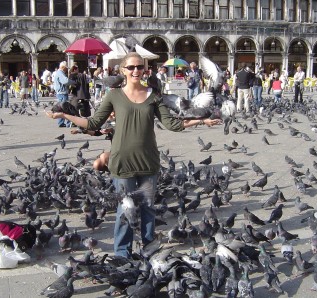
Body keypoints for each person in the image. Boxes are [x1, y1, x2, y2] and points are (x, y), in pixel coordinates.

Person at [46, 52, 221, 258]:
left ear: (145, 70)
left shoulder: (154, 95)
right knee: (124, 211)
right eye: (131, 67)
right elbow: (93, 123)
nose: (136, 71)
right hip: (122, 163)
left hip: (148, 162)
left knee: (148, 210)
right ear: (123, 70)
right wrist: (65, 115)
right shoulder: (114, 96)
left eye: (140, 67)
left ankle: (149, 250)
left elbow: (172, 124)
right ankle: (122, 255)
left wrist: (201, 120)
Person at [54, 61, 73, 128]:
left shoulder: (59, 73)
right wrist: (73, 82)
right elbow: (65, 81)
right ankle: (68, 123)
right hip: (62, 93)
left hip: (60, 93)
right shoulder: (60, 73)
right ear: (63, 67)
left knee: (61, 108)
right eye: (65, 68)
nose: (66, 69)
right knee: (65, 108)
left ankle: (61, 122)